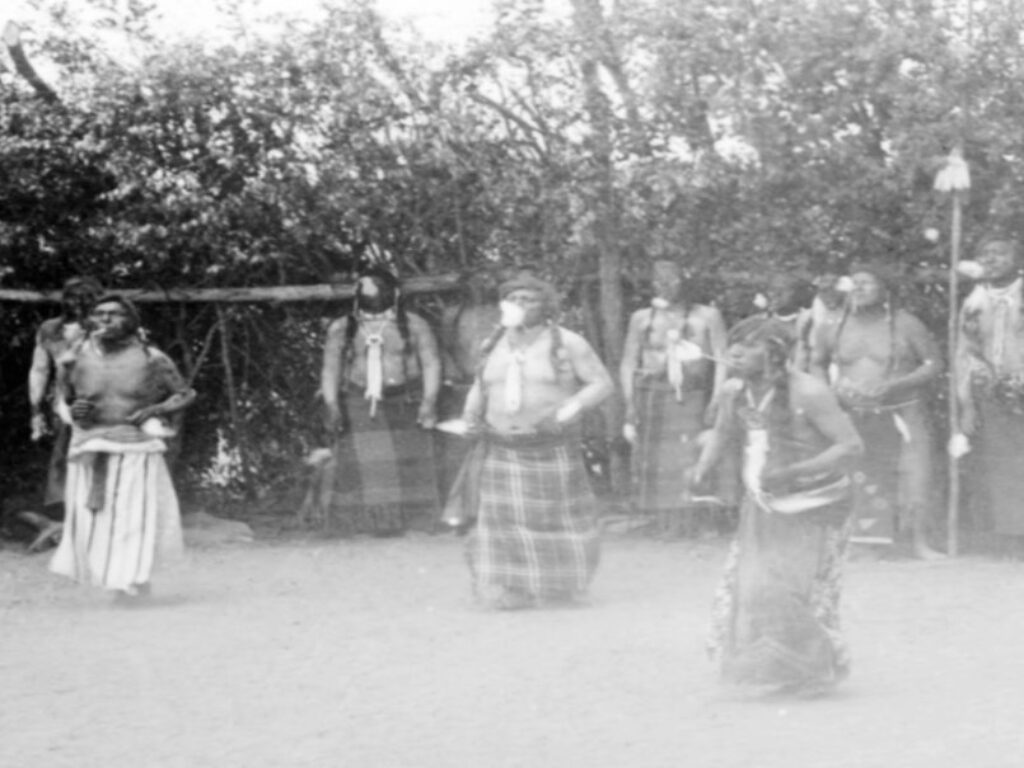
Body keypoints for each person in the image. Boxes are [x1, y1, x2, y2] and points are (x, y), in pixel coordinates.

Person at [690, 317, 863, 694]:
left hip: (817, 503)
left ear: (775, 353)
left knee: (789, 588)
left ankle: (813, 672)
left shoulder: (809, 392)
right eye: (733, 343)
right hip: (766, 500)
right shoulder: (734, 391)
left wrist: (794, 471)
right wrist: (702, 468)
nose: (734, 351)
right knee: (753, 585)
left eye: (748, 345)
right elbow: (722, 432)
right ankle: (778, 670)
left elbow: (850, 447)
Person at [454, 274, 613, 609]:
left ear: (547, 306)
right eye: (514, 299)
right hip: (502, 447)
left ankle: (560, 586)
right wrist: (470, 418)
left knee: (559, 520)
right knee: (503, 524)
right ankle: (513, 588)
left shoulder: (568, 343)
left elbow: (601, 384)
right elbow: (481, 386)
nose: (520, 305)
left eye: (530, 299)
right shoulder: (492, 344)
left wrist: (567, 411)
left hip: (551, 447)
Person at [49, 294, 195, 601]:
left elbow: (184, 394)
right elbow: (61, 398)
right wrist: (71, 410)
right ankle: (116, 580)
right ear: (90, 320)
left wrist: (154, 410)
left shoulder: (152, 358)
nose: (105, 320)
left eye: (114, 314)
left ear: (131, 321)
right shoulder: (72, 358)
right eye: (99, 314)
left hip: (135, 446)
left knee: (133, 518)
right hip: (90, 444)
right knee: (97, 521)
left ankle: (133, 580)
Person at [809, 263, 943, 558]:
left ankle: (919, 543)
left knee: (915, 474)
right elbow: (817, 361)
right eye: (853, 282)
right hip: (853, 412)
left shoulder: (906, 323)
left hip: (904, 410)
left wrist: (896, 384)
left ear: (885, 290)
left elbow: (933, 364)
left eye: (866, 282)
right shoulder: (833, 323)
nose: (858, 288)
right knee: (858, 475)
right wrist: (828, 396)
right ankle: (862, 542)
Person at [309, 268, 442, 536]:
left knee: (412, 462)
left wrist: (429, 401)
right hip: (361, 399)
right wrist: (333, 405)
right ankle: (375, 525)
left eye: (379, 287)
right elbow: (330, 369)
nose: (372, 294)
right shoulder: (342, 328)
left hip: (406, 398)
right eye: (365, 288)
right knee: (372, 465)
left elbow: (431, 363)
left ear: (393, 293)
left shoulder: (414, 324)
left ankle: (418, 522)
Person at [620, 260, 727, 531]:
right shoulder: (642, 319)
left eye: (672, 279)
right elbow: (629, 362)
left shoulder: (707, 316)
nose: (665, 285)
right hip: (653, 394)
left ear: (685, 280)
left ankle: (693, 519)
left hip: (693, 394)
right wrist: (630, 402)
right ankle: (662, 520)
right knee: (658, 459)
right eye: (659, 280)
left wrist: (716, 400)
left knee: (690, 454)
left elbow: (722, 361)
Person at [955, 236, 1024, 544]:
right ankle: (1013, 535)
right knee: (1004, 463)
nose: (992, 259)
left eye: (1001, 252)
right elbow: (966, 353)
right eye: (986, 253)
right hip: (994, 395)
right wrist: (968, 403)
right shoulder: (973, 302)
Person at [27, 276, 103, 513]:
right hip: (62, 401)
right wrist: (36, 409)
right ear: (65, 299)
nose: (79, 304)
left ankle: (98, 510)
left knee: (98, 453)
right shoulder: (50, 329)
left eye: (87, 298)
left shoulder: (105, 327)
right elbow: (39, 369)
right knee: (63, 454)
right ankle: (64, 514)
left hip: (101, 400)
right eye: (73, 297)